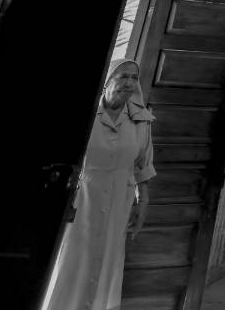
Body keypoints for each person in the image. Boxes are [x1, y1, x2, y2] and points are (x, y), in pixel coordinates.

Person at [41, 59, 155, 310]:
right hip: (82, 199)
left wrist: (142, 203)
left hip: (119, 201)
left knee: (107, 262)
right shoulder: (86, 114)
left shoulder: (140, 120)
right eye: (123, 76)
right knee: (72, 260)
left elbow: (143, 165)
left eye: (134, 78)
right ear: (107, 79)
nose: (129, 83)